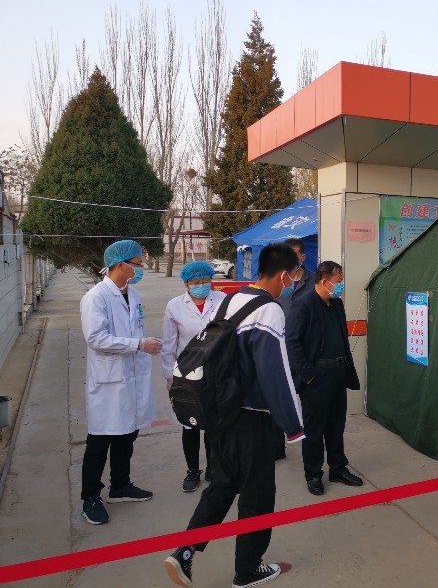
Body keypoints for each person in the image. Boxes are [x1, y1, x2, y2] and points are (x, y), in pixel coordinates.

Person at [164, 244, 305, 588]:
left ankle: (184, 553)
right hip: (251, 420)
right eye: (293, 277)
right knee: (257, 495)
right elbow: (275, 371)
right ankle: (247, 570)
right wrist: (293, 425)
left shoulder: (229, 301)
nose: (292, 284)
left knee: (223, 485)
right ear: (283, 275)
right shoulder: (269, 310)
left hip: (220, 414)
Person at [78, 240, 162, 525]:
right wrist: (139, 344)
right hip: (109, 380)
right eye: (137, 264)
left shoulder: (132, 294)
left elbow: (136, 328)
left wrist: (143, 343)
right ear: (120, 265)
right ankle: (90, 497)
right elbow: (95, 338)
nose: (141, 268)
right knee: (100, 440)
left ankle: (120, 485)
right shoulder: (96, 297)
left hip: (132, 375)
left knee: (128, 433)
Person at [286, 260, 363, 496]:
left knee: (336, 425)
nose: (341, 286)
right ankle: (313, 474)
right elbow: (292, 343)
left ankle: (338, 468)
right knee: (314, 429)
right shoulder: (303, 304)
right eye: (338, 281)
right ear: (324, 281)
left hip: (337, 374)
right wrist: (308, 376)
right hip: (316, 378)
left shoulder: (336, 304)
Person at [161, 260, 227, 492]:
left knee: (212, 423)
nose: (201, 286)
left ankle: (212, 467)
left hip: (215, 371)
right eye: (196, 282)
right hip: (186, 373)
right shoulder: (175, 306)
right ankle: (192, 470)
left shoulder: (222, 300)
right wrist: (169, 375)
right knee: (189, 424)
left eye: (205, 281)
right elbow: (169, 343)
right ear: (186, 284)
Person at [272, 238, 313, 460]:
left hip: (305, 355)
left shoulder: (314, 282)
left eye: (293, 254)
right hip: (279, 352)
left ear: (302, 257)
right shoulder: (277, 283)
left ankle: (310, 453)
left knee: (308, 405)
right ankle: (276, 447)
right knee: (277, 400)